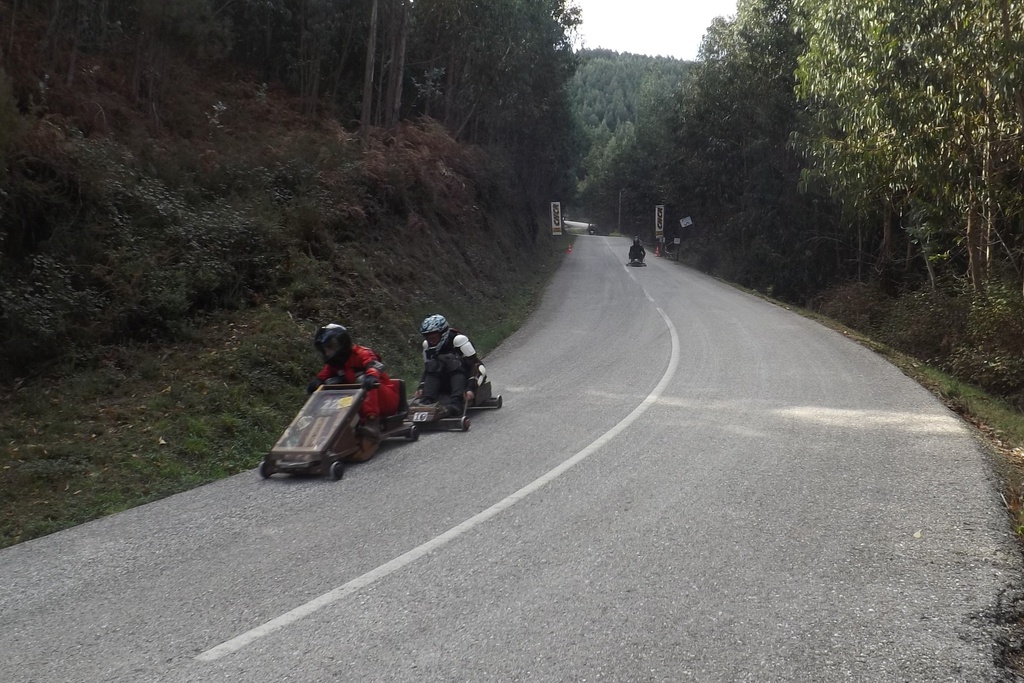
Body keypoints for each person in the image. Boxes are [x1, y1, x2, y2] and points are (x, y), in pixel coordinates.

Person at [307, 323, 399, 461]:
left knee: (364, 380)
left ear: (342, 342)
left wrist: (371, 376)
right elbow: (322, 377)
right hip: (358, 405)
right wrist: (316, 383)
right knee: (329, 385)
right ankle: (319, 428)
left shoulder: (362, 353)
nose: (328, 353)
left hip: (386, 400)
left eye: (330, 347)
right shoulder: (335, 364)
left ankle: (372, 422)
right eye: (325, 349)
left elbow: (374, 365)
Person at [413, 314, 484, 417]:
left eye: (433, 336)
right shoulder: (427, 345)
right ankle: (427, 401)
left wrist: (470, 388)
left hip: (466, 380)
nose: (431, 339)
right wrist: (422, 386)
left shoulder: (458, 340)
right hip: (444, 382)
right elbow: (428, 369)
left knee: (451, 361)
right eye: (428, 336)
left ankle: (456, 403)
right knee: (434, 364)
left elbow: (475, 365)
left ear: (442, 333)